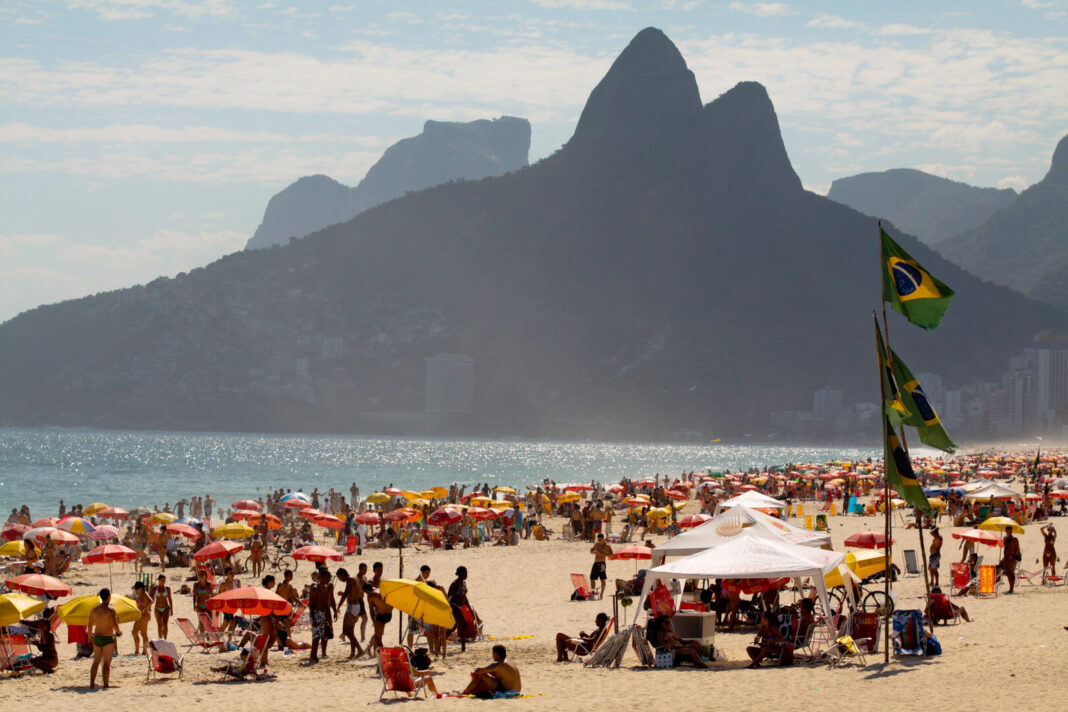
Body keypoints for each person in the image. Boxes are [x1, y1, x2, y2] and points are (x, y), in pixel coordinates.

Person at [87, 588, 121, 689]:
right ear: (109, 596)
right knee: (106, 663)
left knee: (96, 662)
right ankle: (105, 684)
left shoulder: (94, 609)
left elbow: (89, 625)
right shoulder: (111, 610)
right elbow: (114, 625)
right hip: (107, 638)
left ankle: (92, 684)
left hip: (97, 637)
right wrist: (119, 632)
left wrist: (90, 636)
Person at [334, 568, 365, 660]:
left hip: (352, 607)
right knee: (350, 631)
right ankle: (353, 653)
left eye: (339, 577)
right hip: (355, 606)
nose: (340, 580)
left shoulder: (350, 580)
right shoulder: (354, 578)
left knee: (346, 631)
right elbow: (353, 593)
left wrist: (338, 606)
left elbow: (346, 594)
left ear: (343, 574)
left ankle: (359, 650)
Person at [448, 566, 480, 653]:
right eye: (465, 573)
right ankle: (463, 647)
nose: (466, 575)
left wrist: (469, 608)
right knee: (464, 625)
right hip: (454, 606)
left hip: (460, 607)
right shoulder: (454, 584)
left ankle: (440, 642)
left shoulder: (463, 583)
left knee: (453, 627)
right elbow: (448, 596)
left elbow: (465, 598)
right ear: (460, 574)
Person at [308, 569, 335, 663]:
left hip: (324, 613)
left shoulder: (328, 586)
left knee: (323, 635)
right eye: (328, 577)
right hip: (316, 613)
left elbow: (331, 599)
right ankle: (312, 656)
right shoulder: (315, 587)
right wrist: (313, 618)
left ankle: (315, 655)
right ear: (322, 577)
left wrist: (334, 611)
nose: (329, 579)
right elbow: (311, 604)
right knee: (316, 636)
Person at [364, 582, 393, 654]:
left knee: (378, 639)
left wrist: (374, 622)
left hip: (381, 616)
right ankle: (374, 652)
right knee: (378, 635)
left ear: (367, 590)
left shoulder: (370, 595)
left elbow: (371, 611)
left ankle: (382, 655)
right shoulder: (381, 590)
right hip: (389, 615)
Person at [131, 581, 153, 655]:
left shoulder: (145, 593)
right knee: (134, 632)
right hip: (140, 616)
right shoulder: (139, 595)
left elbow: (151, 601)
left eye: (137, 588)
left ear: (141, 588)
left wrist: (144, 608)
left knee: (143, 634)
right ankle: (137, 650)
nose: (136, 590)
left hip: (145, 615)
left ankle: (144, 651)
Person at [153, 573, 174, 639]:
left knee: (165, 624)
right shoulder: (154, 588)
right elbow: (151, 598)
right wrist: (149, 608)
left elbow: (170, 599)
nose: (163, 581)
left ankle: (165, 639)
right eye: (162, 580)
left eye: (164, 580)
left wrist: (172, 609)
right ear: (158, 580)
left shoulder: (167, 589)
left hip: (166, 608)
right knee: (159, 625)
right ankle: (160, 640)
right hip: (157, 608)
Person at [1002, 528, 1021, 594]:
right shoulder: (1005, 538)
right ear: (1006, 531)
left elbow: (1017, 549)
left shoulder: (1014, 539)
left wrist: (1013, 557)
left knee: (1011, 573)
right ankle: (1010, 588)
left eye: (1011, 531)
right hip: (1006, 557)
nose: (1010, 532)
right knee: (1008, 573)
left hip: (1012, 558)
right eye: (1008, 531)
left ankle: (1011, 588)